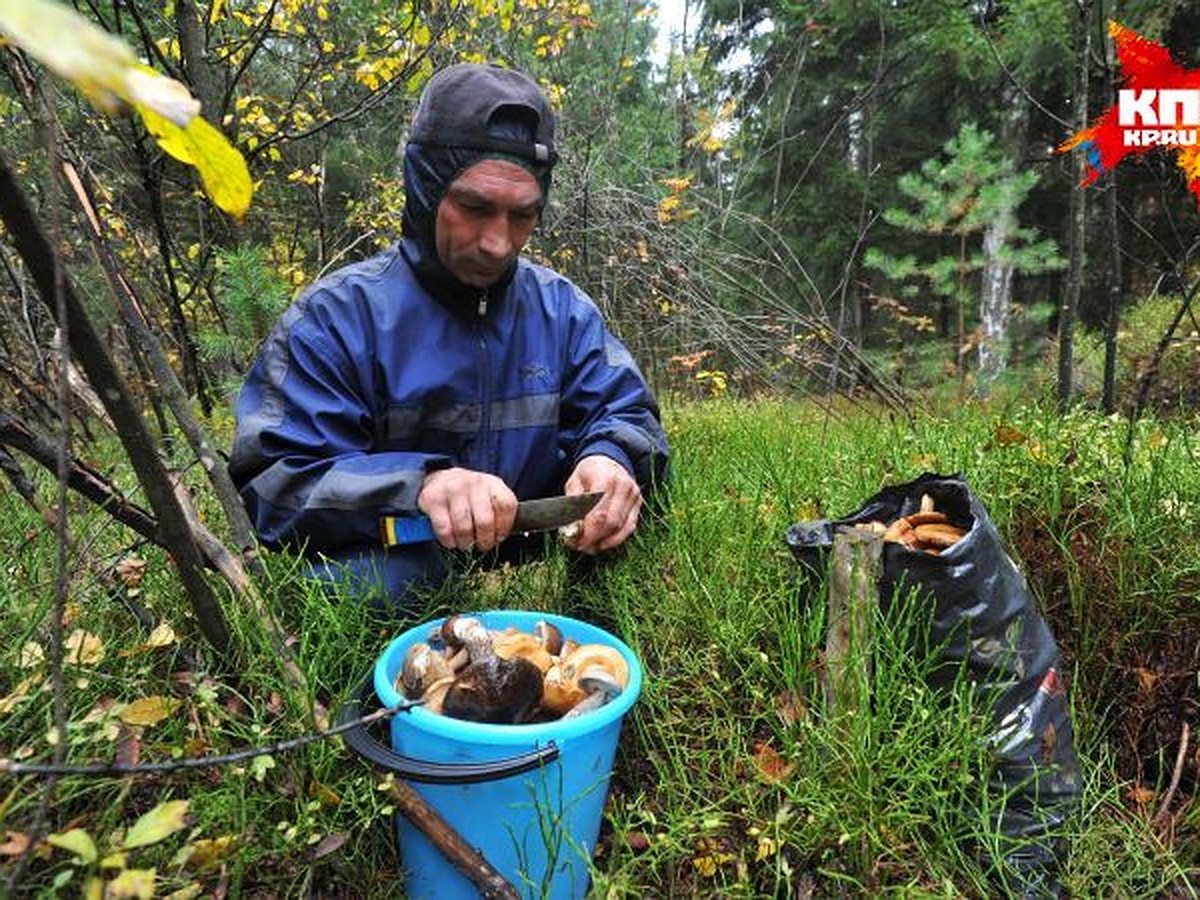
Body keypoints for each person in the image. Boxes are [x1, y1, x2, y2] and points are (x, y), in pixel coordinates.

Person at [229, 63, 669, 605]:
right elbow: (276, 482)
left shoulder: (563, 311)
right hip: (404, 557)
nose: (497, 243)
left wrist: (610, 459)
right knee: (378, 587)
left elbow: (626, 414)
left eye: (522, 215)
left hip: (544, 558)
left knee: (635, 528)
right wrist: (420, 488)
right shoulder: (335, 319)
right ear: (424, 187)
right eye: (475, 207)